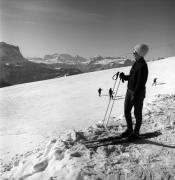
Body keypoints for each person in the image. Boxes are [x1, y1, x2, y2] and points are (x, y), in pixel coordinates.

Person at [119, 44, 149, 139]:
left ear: (140, 53)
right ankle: (129, 130)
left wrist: (135, 95)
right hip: (130, 91)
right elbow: (133, 77)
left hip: (137, 93)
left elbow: (140, 83)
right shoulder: (136, 63)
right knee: (126, 111)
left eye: (135, 52)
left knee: (137, 113)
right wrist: (125, 77)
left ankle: (136, 132)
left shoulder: (143, 66)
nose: (133, 53)